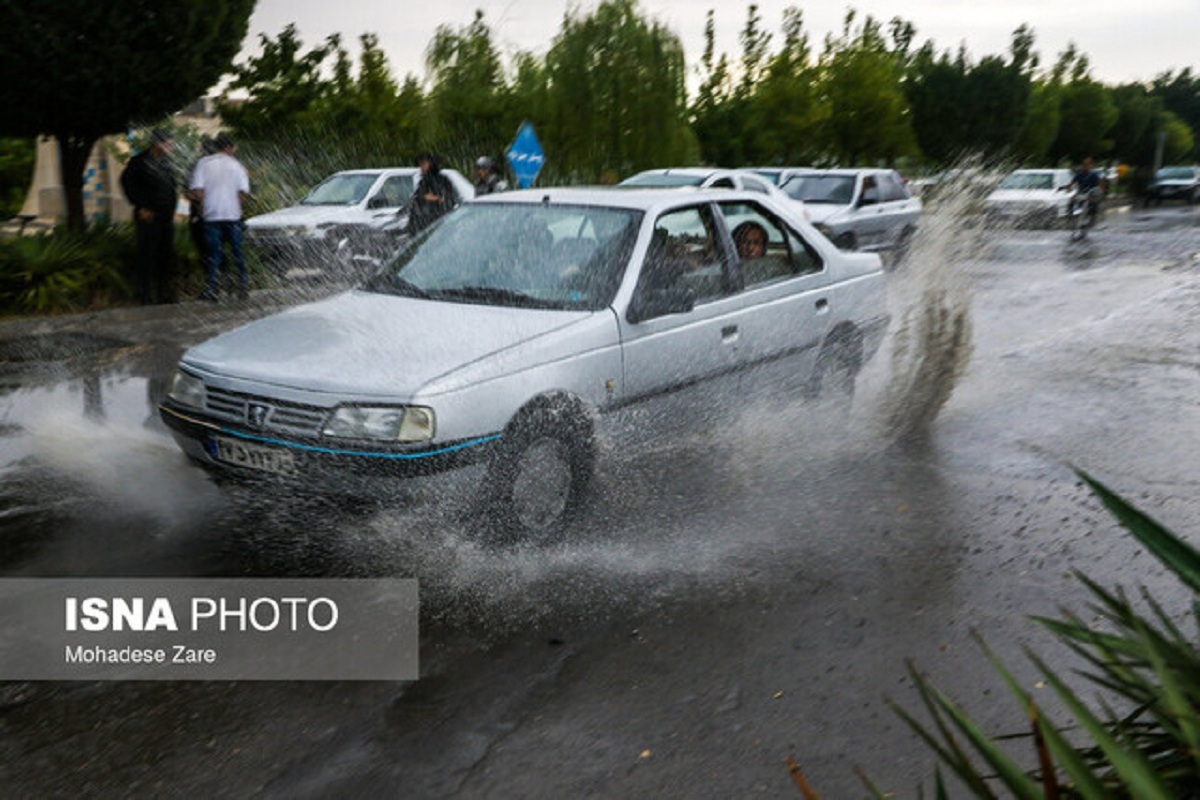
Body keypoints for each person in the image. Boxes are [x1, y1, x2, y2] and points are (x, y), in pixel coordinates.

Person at [120, 128, 178, 304]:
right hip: (148, 215)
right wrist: (141, 206)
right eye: (167, 143)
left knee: (165, 255)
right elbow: (127, 184)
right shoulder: (139, 162)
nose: (170, 146)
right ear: (156, 144)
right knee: (147, 255)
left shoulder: (167, 162)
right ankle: (144, 294)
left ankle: (163, 293)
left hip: (165, 216)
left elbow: (172, 186)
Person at [190, 133, 251, 301]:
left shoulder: (203, 163)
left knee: (213, 254)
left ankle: (212, 288)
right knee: (238, 252)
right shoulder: (237, 166)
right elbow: (243, 193)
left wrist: (203, 207)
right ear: (229, 148)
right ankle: (243, 286)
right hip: (232, 216)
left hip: (211, 216)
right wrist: (235, 206)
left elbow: (197, 190)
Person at [186, 135, 218, 271]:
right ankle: (217, 280)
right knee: (210, 247)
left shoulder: (196, 165)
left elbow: (188, 191)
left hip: (203, 214)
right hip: (207, 213)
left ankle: (214, 280)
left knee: (206, 248)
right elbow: (189, 191)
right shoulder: (197, 166)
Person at [407, 152, 456, 235]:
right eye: (420, 164)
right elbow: (420, 198)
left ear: (431, 164)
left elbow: (443, 199)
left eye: (423, 164)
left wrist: (435, 198)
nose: (421, 167)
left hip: (433, 224)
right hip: (426, 224)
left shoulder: (439, 181)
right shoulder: (425, 181)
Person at [1066, 156, 1107, 222]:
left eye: (1087, 164)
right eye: (1084, 164)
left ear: (1091, 165)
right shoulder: (1079, 174)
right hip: (1081, 194)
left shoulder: (1094, 175)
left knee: (1093, 202)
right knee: (1072, 200)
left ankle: (1092, 217)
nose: (1085, 166)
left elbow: (1100, 183)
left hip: (1091, 194)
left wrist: (1101, 191)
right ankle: (1071, 217)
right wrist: (1067, 187)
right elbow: (1072, 183)